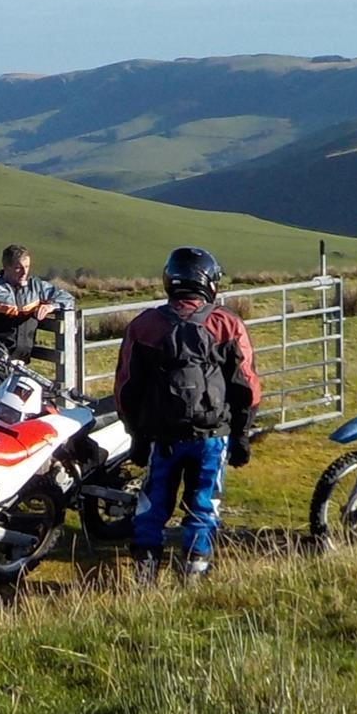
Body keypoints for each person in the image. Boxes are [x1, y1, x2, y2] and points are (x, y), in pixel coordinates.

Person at [113, 247, 260, 583]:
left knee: (151, 508)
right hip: (212, 436)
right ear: (209, 282)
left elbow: (126, 387)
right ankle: (193, 574)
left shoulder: (145, 325)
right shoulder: (226, 323)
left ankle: (144, 576)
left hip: (161, 437)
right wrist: (241, 433)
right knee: (203, 504)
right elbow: (246, 386)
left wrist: (135, 434)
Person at [0, 245, 75, 372]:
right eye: (18, 268)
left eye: (27, 267)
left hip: (22, 365)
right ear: (6, 267)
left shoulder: (36, 287)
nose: (24, 272)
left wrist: (51, 306)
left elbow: (68, 299)